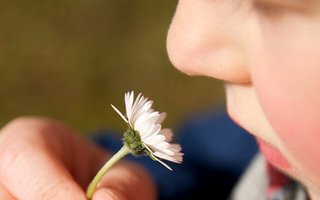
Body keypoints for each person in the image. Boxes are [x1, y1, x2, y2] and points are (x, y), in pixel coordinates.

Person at [0, 0, 319, 199]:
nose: (182, 49)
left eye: (271, 5)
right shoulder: (245, 146)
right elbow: (209, 161)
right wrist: (142, 185)